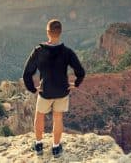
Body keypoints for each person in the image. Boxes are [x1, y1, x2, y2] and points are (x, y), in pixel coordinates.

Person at [22, 19, 86, 158]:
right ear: (60, 32)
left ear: (48, 32)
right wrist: (76, 83)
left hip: (45, 91)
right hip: (62, 91)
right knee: (58, 117)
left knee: (39, 116)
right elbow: (80, 71)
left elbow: (27, 73)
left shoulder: (39, 51)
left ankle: (38, 145)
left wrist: (33, 88)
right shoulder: (67, 52)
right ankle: (56, 148)